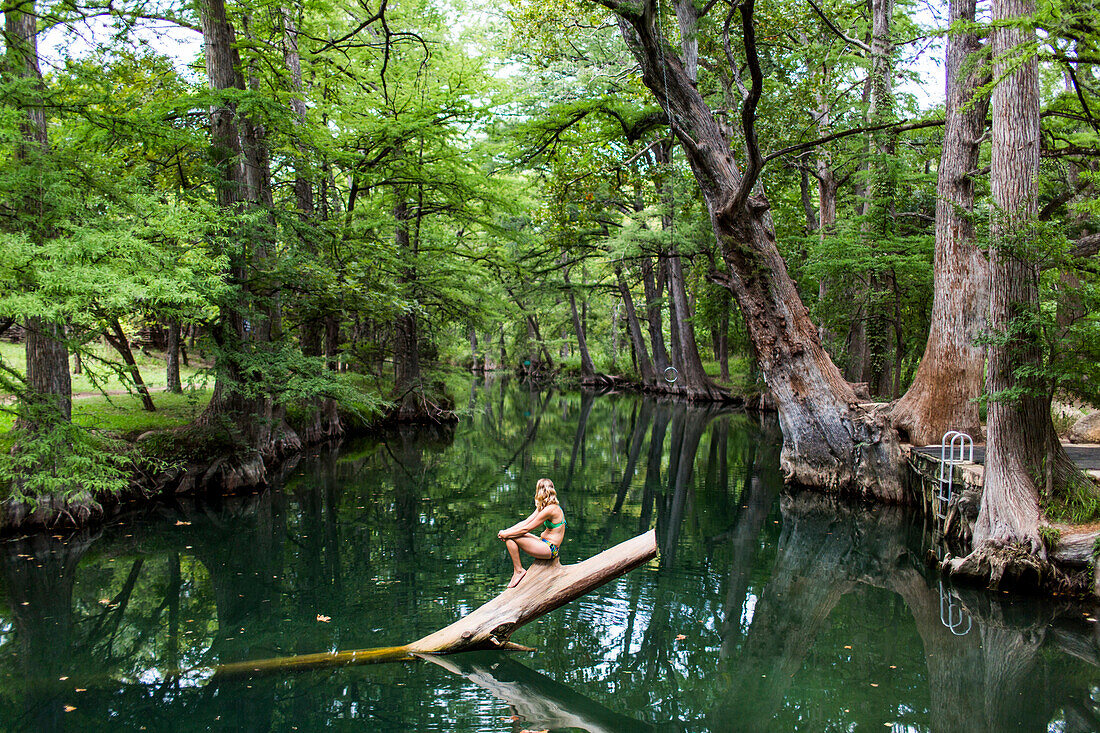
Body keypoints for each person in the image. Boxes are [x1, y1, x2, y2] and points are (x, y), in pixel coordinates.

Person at [497, 478, 567, 588]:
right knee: (510, 535)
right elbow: (526, 521)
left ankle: (519, 571)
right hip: (544, 543)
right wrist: (507, 531)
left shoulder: (551, 509)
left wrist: (507, 535)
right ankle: (518, 570)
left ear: (539, 491)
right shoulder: (545, 506)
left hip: (550, 549)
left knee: (510, 538)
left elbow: (527, 529)